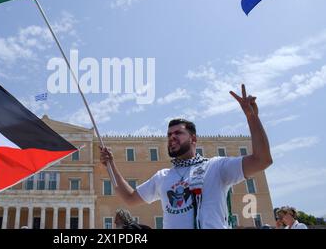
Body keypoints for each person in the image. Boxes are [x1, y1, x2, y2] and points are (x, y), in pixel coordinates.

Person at [100, 84, 273, 229]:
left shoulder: (216, 167)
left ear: (194, 139)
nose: (172, 137)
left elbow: (262, 160)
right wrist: (110, 165)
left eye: (178, 133)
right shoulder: (162, 177)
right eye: (168, 135)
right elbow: (130, 198)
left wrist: (252, 117)